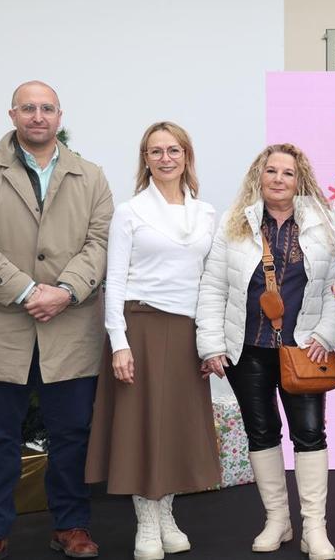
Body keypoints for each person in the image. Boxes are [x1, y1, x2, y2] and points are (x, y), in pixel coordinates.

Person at [0, 80, 113, 560]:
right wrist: (25, 291)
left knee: (72, 433)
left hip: (71, 324)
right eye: (28, 108)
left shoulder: (92, 176)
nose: (38, 116)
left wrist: (64, 291)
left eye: (47, 108)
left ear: (60, 116)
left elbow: (100, 243)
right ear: (12, 115)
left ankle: (71, 525)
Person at [195, 144, 335, 560]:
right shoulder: (234, 224)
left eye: (288, 173)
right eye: (271, 171)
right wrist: (210, 344)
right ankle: (277, 521)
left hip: (303, 351)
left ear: (301, 181)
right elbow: (213, 287)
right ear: (258, 177)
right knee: (261, 433)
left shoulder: (325, 224)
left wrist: (327, 337)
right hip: (248, 350)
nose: (279, 179)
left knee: (310, 434)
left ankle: (314, 528)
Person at [84, 122, 221, 560]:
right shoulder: (130, 211)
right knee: (140, 426)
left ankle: (168, 516)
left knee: (176, 426)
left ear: (187, 156)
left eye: (174, 150)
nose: (165, 158)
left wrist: (208, 341)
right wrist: (118, 342)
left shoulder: (206, 214)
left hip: (185, 331)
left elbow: (210, 282)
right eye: (156, 151)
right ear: (146, 159)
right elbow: (115, 279)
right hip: (138, 327)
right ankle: (146, 521)